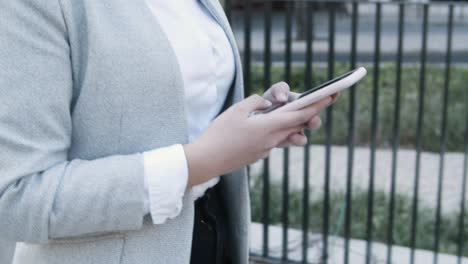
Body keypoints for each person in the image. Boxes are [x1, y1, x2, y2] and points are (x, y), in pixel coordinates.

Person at [0, 0, 337, 263]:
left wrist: (260, 119)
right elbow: (18, 199)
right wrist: (196, 164)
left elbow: (179, 110)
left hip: (212, 237)